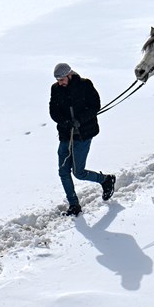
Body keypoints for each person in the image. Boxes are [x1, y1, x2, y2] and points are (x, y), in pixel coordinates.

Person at [49, 62, 116, 217]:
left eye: (62, 80)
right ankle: (74, 204)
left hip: (83, 135)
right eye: (58, 81)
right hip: (66, 135)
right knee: (63, 171)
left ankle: (105, 180)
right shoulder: (55, 89)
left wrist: (79, 120)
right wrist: (65, 122)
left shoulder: (85, 85)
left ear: (70, 74)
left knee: (78, 172)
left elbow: (95, 106)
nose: (60, 83)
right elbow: (53, 110)